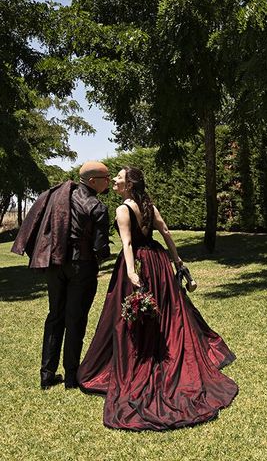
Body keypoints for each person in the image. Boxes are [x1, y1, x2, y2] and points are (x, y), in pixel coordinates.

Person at [78, 166, 237, 431]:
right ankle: (161, 347)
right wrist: (177, 262)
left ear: (129, 184)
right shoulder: (148, 205)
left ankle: (143, 356)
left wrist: (130, 271)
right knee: (166, 312)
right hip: (158, 262)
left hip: (140, 264)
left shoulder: (122, 210)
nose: (114, 181)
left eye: (119, 177)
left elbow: (128, 244)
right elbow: (166, 233)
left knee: (135, 316)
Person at [11, 161, 111, 389]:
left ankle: (47, 375)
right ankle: (71, 378)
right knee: (75, 319)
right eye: (106, 177)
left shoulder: (61, 196)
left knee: (55, 316)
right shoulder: (97, 207)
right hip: (81, 267)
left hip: (55, 263)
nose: (109, 181)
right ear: (93, 181)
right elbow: (100, 249)